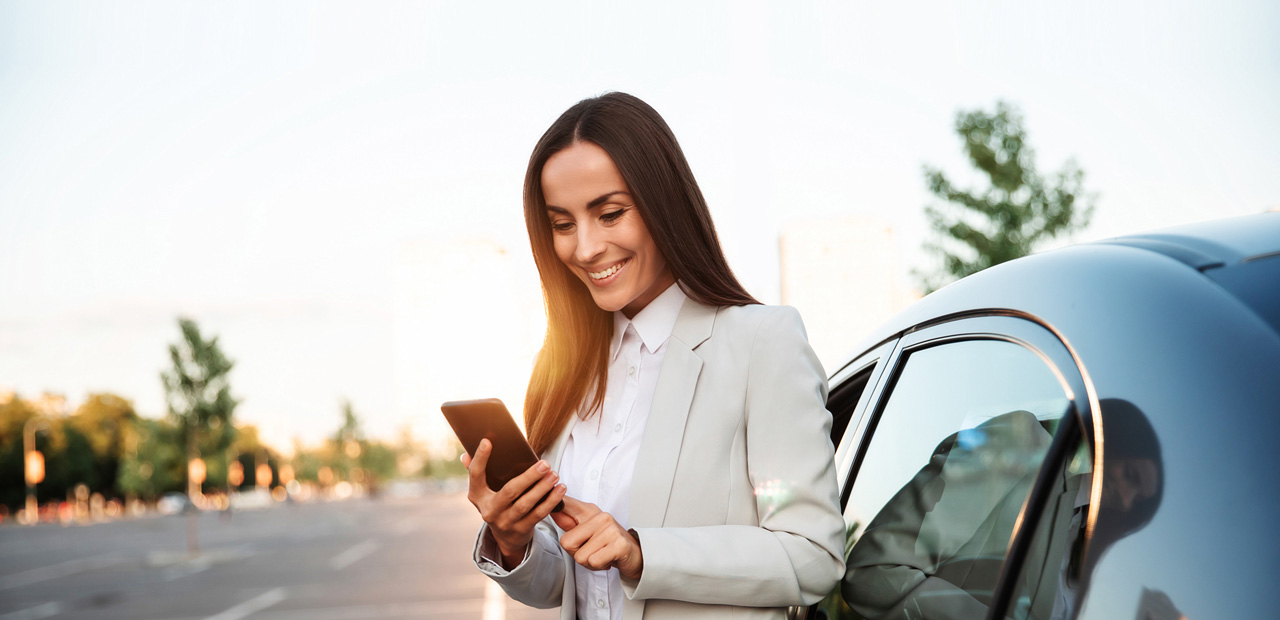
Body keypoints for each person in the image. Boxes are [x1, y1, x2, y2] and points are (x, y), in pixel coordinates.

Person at [461, 92, 846, 619]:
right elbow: (561, 586)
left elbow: (813, 555)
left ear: (664, 203)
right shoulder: (568, 371)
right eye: (563, 224)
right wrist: (514, 541)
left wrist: (642, 553)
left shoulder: (761, 343)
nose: (586, 247)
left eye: (610, 213)